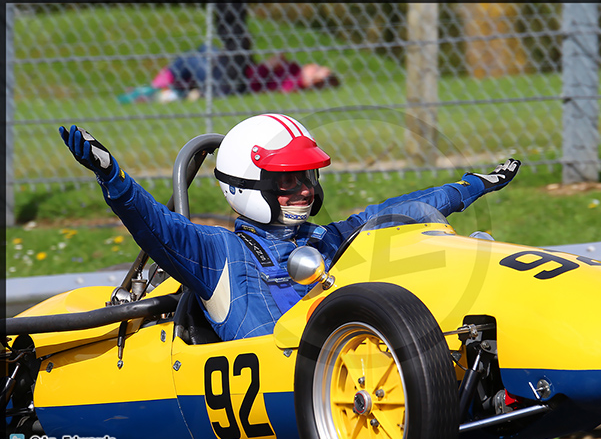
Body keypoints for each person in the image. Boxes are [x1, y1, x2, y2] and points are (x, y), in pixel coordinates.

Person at [59, 114, 520, 341]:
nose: (302, 191)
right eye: (286, 181)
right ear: (247, 186)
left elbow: (402, 207)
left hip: (337, 367)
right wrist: (112, 177)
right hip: (283, 375)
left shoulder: (326, 238)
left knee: (405, 230)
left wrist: (471, 186)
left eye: (307, 178)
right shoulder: (218, 250)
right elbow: (155, 225)